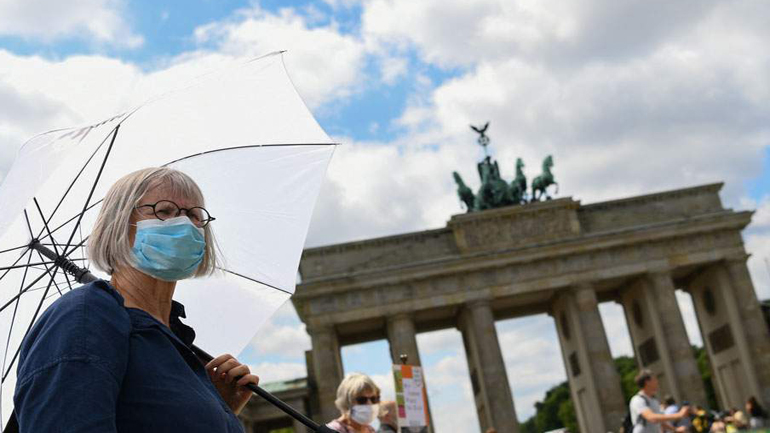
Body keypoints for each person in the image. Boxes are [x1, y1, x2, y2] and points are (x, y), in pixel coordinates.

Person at [14, 167, 258, 432]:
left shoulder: (173, 336)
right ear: (119, 223)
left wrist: (214, 410)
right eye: (164, 211)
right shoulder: (84, 317)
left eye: (194, 215)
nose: (184, 224)